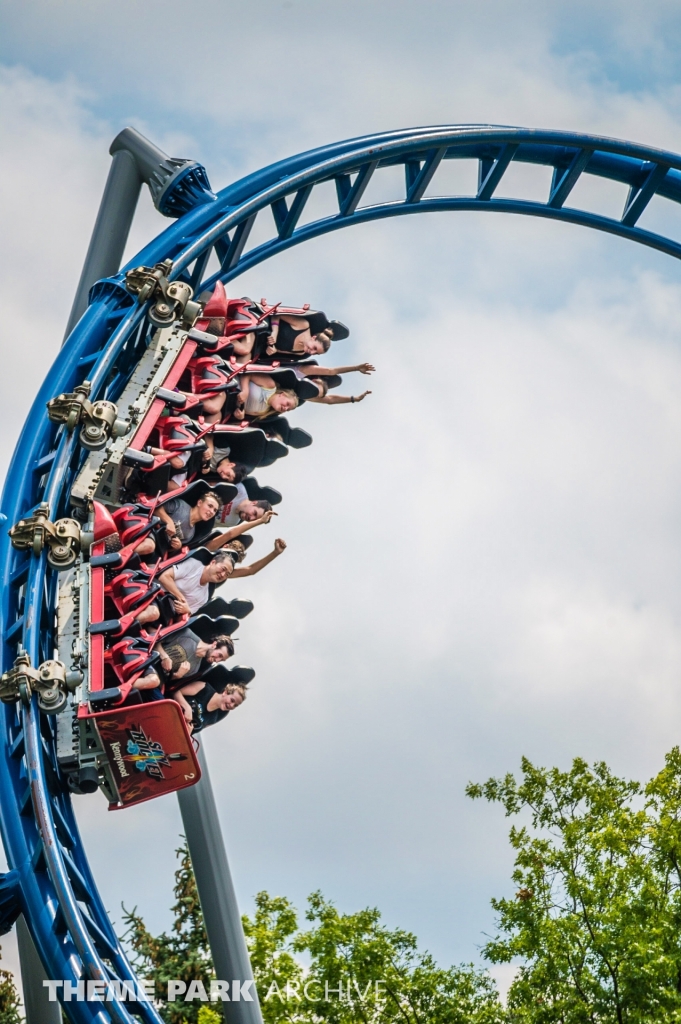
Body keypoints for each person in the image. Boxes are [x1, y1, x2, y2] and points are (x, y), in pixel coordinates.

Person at [156, 490, 274, 552]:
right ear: (253, 503)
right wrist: (168, 521)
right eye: (254, 513)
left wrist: (177, 546)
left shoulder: (233, 522)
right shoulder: (239, 491)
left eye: (215, 510)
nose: (251, 518)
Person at [132, 629, 235, 691]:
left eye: (221, 660)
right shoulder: (187, 634)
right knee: (153, 681)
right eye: (219, 655)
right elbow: (154, 635)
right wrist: (164, 656)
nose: (217, 660)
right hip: (147, 657)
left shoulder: (195, 668)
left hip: (156, 676)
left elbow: (167, 681)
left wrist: (177, 676)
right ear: (214, 644)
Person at [158, 549, 237, 616]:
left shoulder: (204, 597)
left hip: (166, 614)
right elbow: (164, 577)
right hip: (156, 594)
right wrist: (181, 597)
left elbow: (184, 616)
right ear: (213, 562)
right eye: (223, 569)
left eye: (227, 574)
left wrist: (187, 611)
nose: (223, 575)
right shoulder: (193, 564)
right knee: (153, 614)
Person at [172, 680, 247, 733]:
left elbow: (194, 731)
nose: (231, 705)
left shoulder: (214, 718)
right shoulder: (204, 688)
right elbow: (175, 690)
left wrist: (187, 733)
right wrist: (186, 707)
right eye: (232, 700)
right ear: (225, 692)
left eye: (235, 705)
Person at [232, 374, 299, 421]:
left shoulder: (263, 412)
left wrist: (240, 416)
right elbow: (247, 373)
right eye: (287, 404)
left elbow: (238, 410)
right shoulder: (270, 386)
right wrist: (245, 390)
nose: (285, 408)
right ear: (282, 394)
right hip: (230, 382)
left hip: (228, 400)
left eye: (288, 409)